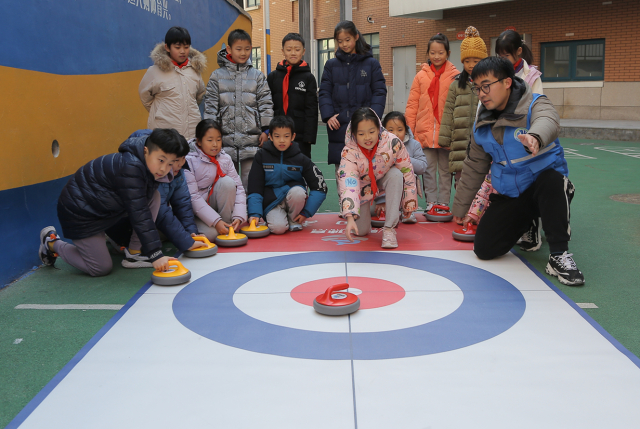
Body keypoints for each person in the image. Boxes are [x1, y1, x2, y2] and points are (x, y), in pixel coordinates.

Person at [451, 56, 584, 286]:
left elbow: (549, 121)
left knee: (552, 182)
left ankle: (559, 255)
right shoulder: (482, 124)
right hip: (511, 194)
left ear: (507, 82)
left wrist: (535, 137)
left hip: (543, 187)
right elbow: (474, 165)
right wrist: (461, 207)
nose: (481, 93)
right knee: (484, 248)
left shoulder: (534, 103)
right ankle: (529, 223)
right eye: (477, 88)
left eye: (486, 86)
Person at [39, 129, 187, 277]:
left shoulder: (146, 164)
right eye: (161, 160)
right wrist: (155, 253)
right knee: (100, 268)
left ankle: (134, 254)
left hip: (106, 210)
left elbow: (140, 207)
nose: (163, 169)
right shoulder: (131, 168)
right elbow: (139, 213)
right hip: (81, 214)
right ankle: (52, 243)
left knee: (153, 195)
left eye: (170, 164)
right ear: (146, 151)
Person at [203, 29, 274, 190]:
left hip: (252, 140)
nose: (243, 53)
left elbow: (266, 104)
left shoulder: (257, 76)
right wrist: (210, 135)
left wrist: (266, 130)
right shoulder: (217, 76)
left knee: (251, 182)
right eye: (239, 49)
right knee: (227, 183)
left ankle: (251, 213)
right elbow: (211, 107)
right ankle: (231, 214)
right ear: (229, 49)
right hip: (225, 141)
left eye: (247, 49)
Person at [338, 108, 418, 249]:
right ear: (354, 134)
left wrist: (408, 202)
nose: (367, 138)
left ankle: (389, 229)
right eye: (361, 133)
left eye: (372, 132)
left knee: (396, 174)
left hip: (384, 178)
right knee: (361, 231)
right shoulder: (349, 152)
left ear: (379, 129)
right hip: (363, 186)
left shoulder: (392, 143)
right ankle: (367, 214)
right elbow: (348, 183)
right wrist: (350, 216)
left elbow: (407, 170)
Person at [496, 29, 544, 250]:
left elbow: (538, 107)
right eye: (499, 55)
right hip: (503, 138)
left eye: (505, 56)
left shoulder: (532, 76)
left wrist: (533, 136)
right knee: (509, 184)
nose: (501, 60)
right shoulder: (496, 74)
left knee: (528, 183)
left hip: (524, 138)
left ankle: (532, 228)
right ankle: (516, 225)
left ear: (518, 52)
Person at [319, 21, 387, 167]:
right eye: (340, 41)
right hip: (339, 125)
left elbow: (379, 91)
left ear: (356, 37)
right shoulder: (331, 65)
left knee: (368, 170)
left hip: (365, 126)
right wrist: (328, 115)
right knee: (343, 172)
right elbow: (324, 91)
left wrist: (373, 116)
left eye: (347, 40)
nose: (344, 44)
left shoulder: (371, 63)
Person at [405, 33, 459, 217]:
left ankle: (444, 202)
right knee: (427, 169)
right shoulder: (420, 76)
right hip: (424, 133)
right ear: (428, 53)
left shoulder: (455, 76)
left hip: (446, 134)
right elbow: (412, 105)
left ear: (448, 53)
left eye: (441, 52)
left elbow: (458, 108)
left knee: (446, 171)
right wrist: (409, 132)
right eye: (433, 52)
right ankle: (430, 203)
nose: (437, 56)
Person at [247, 116, 327, 234]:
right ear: (270, 137)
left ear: (293, 137)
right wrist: (255, 213)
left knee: (298, 192)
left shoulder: (301, 158)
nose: (282, 140)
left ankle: (293, 219)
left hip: (293, 198)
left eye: (286, 136)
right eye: (277, 136)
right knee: (278, 229)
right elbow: (255, 187)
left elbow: (320, 186)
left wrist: (307, 212)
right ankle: (278, 218)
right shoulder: (261, 156)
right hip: (272, 202)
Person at [438, 26, 487, 186]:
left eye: (476, 60)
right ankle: (462, 211)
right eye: (467, 61)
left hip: (483, 142)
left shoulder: (490, 84)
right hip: (459, 141)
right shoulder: (456, 85)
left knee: (482, 181)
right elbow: (448, 112)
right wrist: (445, 139)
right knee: (461, 180)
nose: (471, 65)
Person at [138, 26, 206, 140]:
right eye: (177, 47)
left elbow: (199, 96)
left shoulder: (194, 71)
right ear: (167, 48)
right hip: (164, 134)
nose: (183, 51)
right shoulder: (154, 71)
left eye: (186, 47)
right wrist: (160, 111)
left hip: (191, 133)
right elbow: (144, 96)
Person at [185, 119, 247, 242]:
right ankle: (217, 225)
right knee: (212, 236)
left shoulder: (225, 158)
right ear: (199, 141)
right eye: (210, 140)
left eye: (218, 140)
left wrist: (239, 216)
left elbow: (239, 188)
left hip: (214, 206)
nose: (215, 144)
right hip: (196, 212)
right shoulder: (188, 160)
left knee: (228, 182)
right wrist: (215, 221)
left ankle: (227, 224)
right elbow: (193, 197)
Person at [267, 33, 318, 159]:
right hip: (277, 133)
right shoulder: (273, 77)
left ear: (303, 51)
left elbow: (311, 108)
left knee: (299, 167)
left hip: (299, 134)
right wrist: (267, 130)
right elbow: (267, 105)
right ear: (283, 51)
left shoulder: (308, 78)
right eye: (289, 49)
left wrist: (309, 137)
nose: (293, 53)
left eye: (297, 49)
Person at [380, 111, 428, 224]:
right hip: (386, 186)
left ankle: (408, 209)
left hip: (407, 183)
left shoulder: (414, 144)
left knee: (409, 175)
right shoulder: (379, 145)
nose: (395, 134)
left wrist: (403, 158)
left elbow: (422, 166)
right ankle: (384, 206)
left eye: (400, 130)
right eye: (390, 130)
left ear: (406, 130)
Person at [495, 30, 543, 94]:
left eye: (506, 55)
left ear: (519, 51)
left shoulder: (532, 75)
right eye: (500, 56)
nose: (503, 59)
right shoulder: (494, 72)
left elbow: (538, 101)